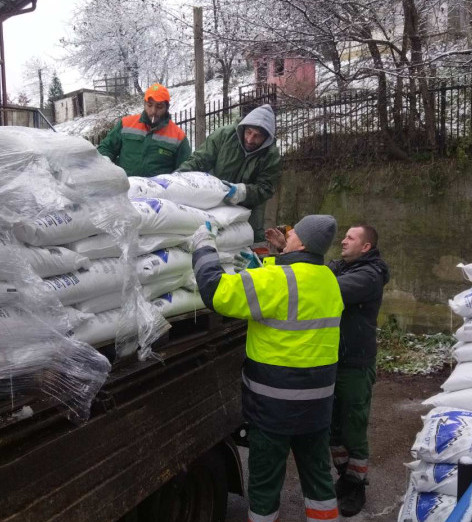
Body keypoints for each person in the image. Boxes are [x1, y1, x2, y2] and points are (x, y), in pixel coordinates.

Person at [191, 215, 343, 522]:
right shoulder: (329, 279)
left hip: (274, 408)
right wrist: (269, 262)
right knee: (318, 479)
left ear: (302, 243)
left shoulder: (276, 281)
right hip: (317, 406)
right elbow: (293, 295)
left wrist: (203, 247)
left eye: (293, 233)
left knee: (264, 484)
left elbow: (216, 291)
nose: (288, 234)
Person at [265, 223, 389, 517]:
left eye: (350, 238)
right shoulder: (339, 267)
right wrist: (287, 251)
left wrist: (291, 260)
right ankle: (344, 477)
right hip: (332, 359)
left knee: (353, 426)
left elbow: (321, 287)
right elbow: (313, 273)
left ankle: (356, 484)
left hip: (354, 365)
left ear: (366, 247)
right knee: (331, 426)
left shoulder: (369, 276)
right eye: (344, 236)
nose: (343, 241)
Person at [177, 104, 281, 242]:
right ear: (243, 128)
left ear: (266, 138)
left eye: (257, 136)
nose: (250, 139)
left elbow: (266, 188)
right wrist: (178, 176)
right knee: (209, 234)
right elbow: (200, 160)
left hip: (249, 207)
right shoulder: (224, 136)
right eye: (249, 132)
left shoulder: (271, 156)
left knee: (249, 239)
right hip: (215, 198)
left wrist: (242, 192)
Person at [96, 83, 191, 177]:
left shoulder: (178, 136)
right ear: (144, 104)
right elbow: (106, 148)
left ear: (167, 107)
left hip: (158, 187)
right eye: (149, 105)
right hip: (127, 184)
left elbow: (185, 171)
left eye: (159, 107)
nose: (153, 111)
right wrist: (106, 160)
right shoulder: (126, 124)